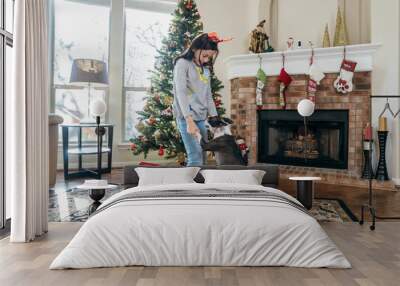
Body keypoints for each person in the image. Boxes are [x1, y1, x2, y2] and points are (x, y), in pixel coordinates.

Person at [173, 32, 229, 166]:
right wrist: (188, 120)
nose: (206, 60)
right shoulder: (182, 64)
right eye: (204, 56)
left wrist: (215, 119)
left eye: (209, 57)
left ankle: (200, 186)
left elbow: (208, 95)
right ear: (194, 49)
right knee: (195, 157)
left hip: (201, 118)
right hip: (187, 117)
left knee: (202, 158)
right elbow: (180, 92)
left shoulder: (205, 70)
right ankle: (189, 187)